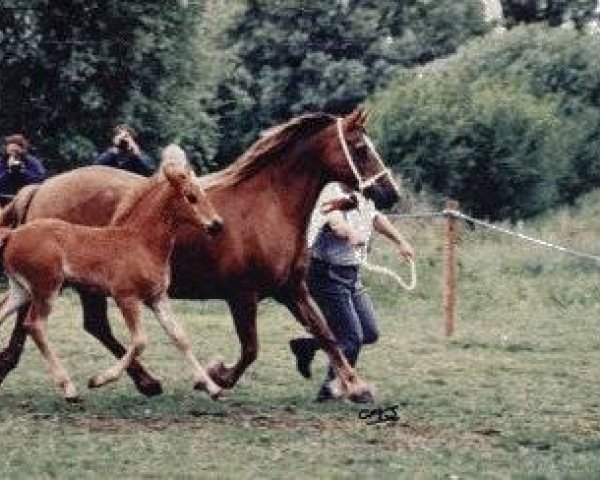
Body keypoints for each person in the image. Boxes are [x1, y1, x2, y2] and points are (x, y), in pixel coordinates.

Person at [290, 182, 415, 402]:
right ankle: (332, 388)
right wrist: (350, 234)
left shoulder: (361, 194)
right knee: (351, 338)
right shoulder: (328, 192)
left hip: (350, 275)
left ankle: (308, 345)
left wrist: (401, 242)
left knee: (369, 332)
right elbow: (336, 222)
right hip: (326, 274)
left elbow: (375, 217)